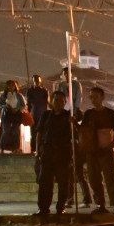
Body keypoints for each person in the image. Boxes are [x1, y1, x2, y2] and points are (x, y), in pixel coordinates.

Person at [77, 85, 114, 214]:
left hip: (106, 150)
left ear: (102, 97)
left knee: (110, 178)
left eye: (95, 97)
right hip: (92, 150)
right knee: (94, 178)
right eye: (91, 97)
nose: (93, 99)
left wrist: (112, 144)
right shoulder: (88, 113)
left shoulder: (110, 113)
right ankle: (100, 204)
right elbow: (84, 131)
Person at [35, 90, 75, 218]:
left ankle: (60, 207)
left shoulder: (68, 116)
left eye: (61, 100)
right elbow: (39, 133)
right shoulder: (46, 115)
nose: (58, 103)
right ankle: (43, 208)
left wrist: (73, 123)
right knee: (44, 182)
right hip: (48, 151)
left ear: (65, 102)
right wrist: (37, 151)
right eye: (55, 100)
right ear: (51, 101)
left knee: (63, 183)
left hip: (63, 153)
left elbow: (76, 135)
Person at [0, 80, 26, 152]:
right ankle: (2, 148)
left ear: (15, 86)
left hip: (16, 114)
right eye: (9, 85)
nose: (10, 87)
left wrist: (18, 108)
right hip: (7, 115)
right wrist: (5, 106)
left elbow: (23, 105)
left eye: (12, 85)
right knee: (6, 131)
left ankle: (15, 148)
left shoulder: (18, 95)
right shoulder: (3, 95)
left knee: (15, 131)